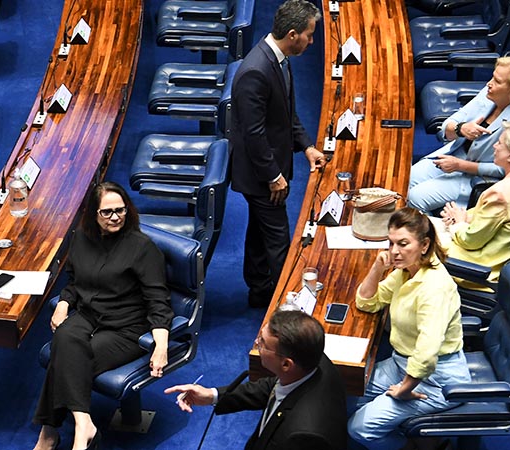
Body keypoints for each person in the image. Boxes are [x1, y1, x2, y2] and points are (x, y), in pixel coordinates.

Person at [32, 181, 173, 450]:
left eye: (120, 210)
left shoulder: (143, 248)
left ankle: (49, 435)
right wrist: (63, 304)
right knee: (64, 335)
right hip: (88, 315)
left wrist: (162, 346)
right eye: (106, 212)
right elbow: (75, 281)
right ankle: (84, 423)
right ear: (93, 214)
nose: (115, 217)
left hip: (126, 327)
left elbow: (158, 301)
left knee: (67, 357)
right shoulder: (81, 238)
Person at [229, 0, 326, 307]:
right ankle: (287, 306)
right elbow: (253, 132)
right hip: (261, 175)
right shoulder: (256, 71)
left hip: (270, 168)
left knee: (260, 231)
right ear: (293, 34)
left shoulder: (279, 60)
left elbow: (285, 113)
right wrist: (273, 177)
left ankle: (259, 291)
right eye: (310, 35)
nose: (312, 42)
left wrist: (307, 146)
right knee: (279, 241)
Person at [348, 208, 469, 450]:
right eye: (390, 243)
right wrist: (377, 269)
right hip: (401, 363)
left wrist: (405, 389)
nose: (394, 251)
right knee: (346, 393)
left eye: (403, 244)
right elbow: (368, 303)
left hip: (435, 380)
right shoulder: (408, 271)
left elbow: (426, 352)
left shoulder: (434, 287)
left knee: (359, 427)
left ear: (424, 245)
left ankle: (417, 447)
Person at [164, 310, 348, 450]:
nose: (256, 343)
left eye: (263, 343)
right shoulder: (311, 358)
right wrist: (212, 395)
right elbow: (273, 387)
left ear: (286, 364)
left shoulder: (304, 436)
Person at [408, 56, 510, 212]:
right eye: (493, 76)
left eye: (497, 81)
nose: (488, 83)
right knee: (404, 182)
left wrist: (460, 165)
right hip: (454, 154)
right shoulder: (489, 93)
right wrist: (461, 129)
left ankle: (429, 234)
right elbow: (448, 125)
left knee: (415, 198)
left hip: (475, 177)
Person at [440, 121, 510, 288]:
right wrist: (461, 217)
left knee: (417, 241)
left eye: (499, 143)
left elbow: (470, 241)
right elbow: (498, 218)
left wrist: (459, 223)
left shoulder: (500, 194)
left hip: (481, 264)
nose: (495, 146)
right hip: (505, 251)